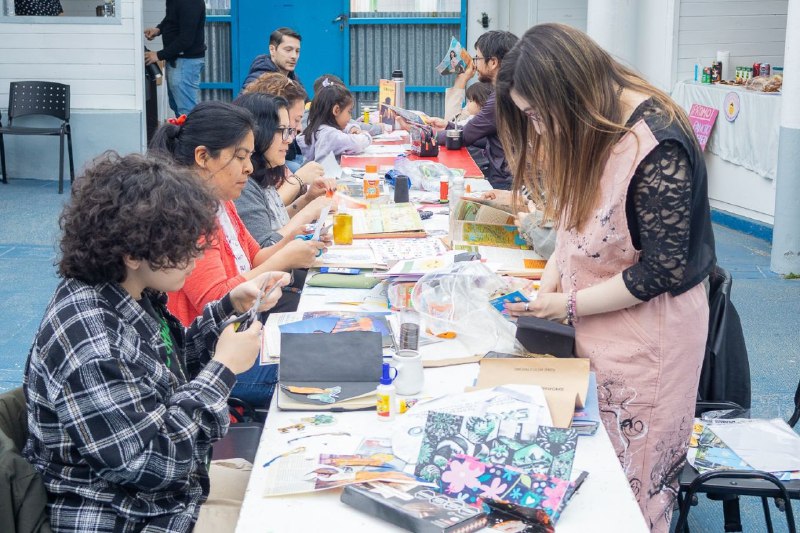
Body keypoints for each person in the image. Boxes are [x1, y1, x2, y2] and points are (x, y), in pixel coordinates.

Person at [495, 24, 716, 532]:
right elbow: (575, 223)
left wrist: (567, 306)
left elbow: (660, 270)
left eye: (536, 115)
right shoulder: (594, 127)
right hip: (595, 323)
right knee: (591, 465)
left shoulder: (658, 144)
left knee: (632, 485)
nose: (540, 130)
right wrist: (554, 277)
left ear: (566, 91)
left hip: (648, 339)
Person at [23, 152, 288, 532]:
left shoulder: (126, 293)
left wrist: (228, 307)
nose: (197, 255)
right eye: (182, 245)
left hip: (163, 496)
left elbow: (167, 369)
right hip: (126, 514)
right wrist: (224, 368)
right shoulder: (91, 343)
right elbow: (155, 463)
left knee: (290, 486)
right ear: (132, 252)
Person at [149, 102, 327, 408]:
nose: (249, 167)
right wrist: (285, 257)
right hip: (212, 354)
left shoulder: (223, 201)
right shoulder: (188, 216)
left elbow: (256, 257)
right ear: (202, 157)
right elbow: (216, 298)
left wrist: (297, 238)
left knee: (327, 349)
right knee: (320, 370)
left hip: (239, 335)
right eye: (240, 157)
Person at [232, 93, 335, 248]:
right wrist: (309, 212)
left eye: (290, 130)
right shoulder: (243, 184)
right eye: (283, 130)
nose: (289, 139)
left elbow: (273, 221)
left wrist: (306, 200)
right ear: (259, 131)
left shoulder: (263, 173)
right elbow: (266, 246)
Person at [425, 30, 519, 190]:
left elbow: (465, 136)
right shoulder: (512, 90)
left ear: (493, 62)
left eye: (477, 58)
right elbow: (479, 133)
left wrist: (427, 136)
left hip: (507, 182)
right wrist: (447, 126)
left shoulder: (502, 98)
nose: (475, 63)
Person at [241, 72, 325, 186]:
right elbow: (271, 203)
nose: (300, 128)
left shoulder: (276, 166)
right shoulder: (246, 173)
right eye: (296, 119)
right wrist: (299, 180)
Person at [144, 0, 206, 116]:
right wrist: (158, 29)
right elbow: (171, 18)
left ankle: (192, 134)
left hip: (185, 63)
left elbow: (186, 39)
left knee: (187, 112)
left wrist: (158, 55)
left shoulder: (191, 3)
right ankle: (184, 133)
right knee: (177, 107)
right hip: (177, 61)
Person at [297, 84, 372, 162]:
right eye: (349, 112)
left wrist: (351, 128)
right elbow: (357, 143)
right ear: (336, 110)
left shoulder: (318, 129)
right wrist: (365, 135)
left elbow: (341, 131)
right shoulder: (329, 135)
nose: (350, 117)